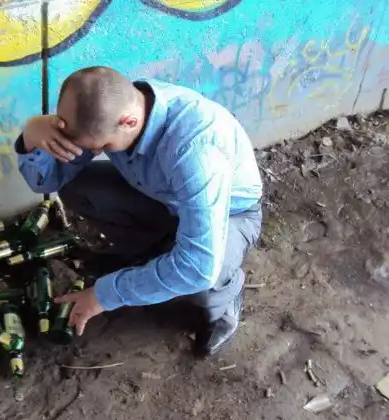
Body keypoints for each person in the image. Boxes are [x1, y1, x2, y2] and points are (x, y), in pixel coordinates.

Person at [14, 66, 262, 355]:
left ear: (128, 122)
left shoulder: (195, 151)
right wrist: (31, 137)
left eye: (103, 146)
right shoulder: (105, 109)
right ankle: (152, 255)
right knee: (78, 187)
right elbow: (50, 181)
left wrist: (105, 295)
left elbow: (198, 268)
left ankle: (225, 300)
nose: (96, 152)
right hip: (163, 199)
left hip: (232, 213)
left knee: (202, 279)